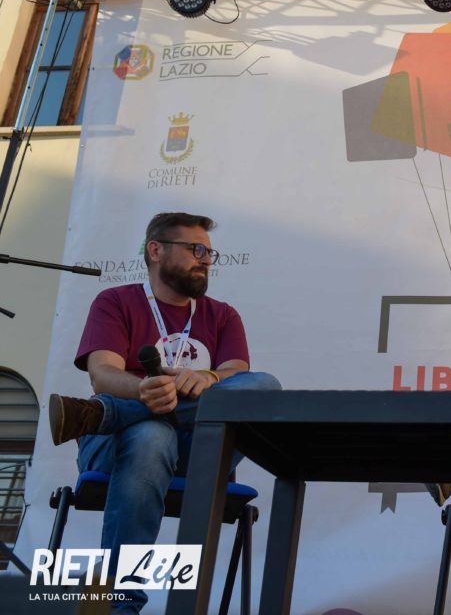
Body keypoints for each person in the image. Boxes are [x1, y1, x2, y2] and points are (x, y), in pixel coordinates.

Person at [48, 212, 281, 613]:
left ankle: (108, 413)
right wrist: (143, 390)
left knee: (266, 386)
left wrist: (207, 377)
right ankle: (121, 606)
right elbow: (102, 373)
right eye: (196, 249)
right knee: (152, 435)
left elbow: (238, 375)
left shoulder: (222, 315)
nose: (206, 260)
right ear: (156, 250)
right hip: (117, 449)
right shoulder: (116, 301)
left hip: (199, 451)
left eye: (209, 252)